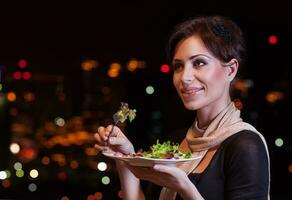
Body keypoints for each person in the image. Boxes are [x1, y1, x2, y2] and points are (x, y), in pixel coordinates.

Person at [94, 15, 270, 200]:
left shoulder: (245, 145)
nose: (184, 77)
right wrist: (126, 158)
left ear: (231, 70)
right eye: (178, 66)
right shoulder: (178, 142)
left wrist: (185, 187)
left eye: (199, 63)